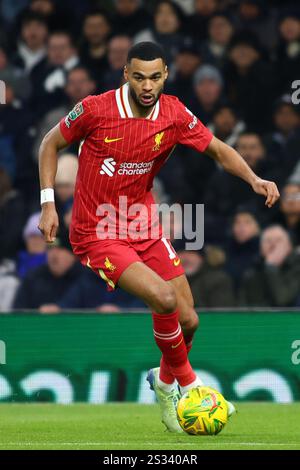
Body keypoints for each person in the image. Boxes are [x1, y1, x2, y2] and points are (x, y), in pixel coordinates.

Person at [38, 42, 279, 433]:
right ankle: (191, 385)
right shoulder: (97, 108)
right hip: (97, 231)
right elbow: (51, 143)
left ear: (165, 74)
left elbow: (217, 150)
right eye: (138, 77)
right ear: (126, 76)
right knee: (164, 299)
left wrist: (254, 178)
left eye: (154, 76)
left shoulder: (173, 113)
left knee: (189, 320)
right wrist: (49, 203)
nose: (147, 85)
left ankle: (163, 382)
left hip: (143, 223)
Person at [239, 225, 300, 307]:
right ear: (261, 248)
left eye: (279, 240)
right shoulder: (252, 271)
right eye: (268, 241)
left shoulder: (297, 269)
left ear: (289, 246)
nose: (273, 244)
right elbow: (241, 307)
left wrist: (271, 267)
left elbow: (282, 300)